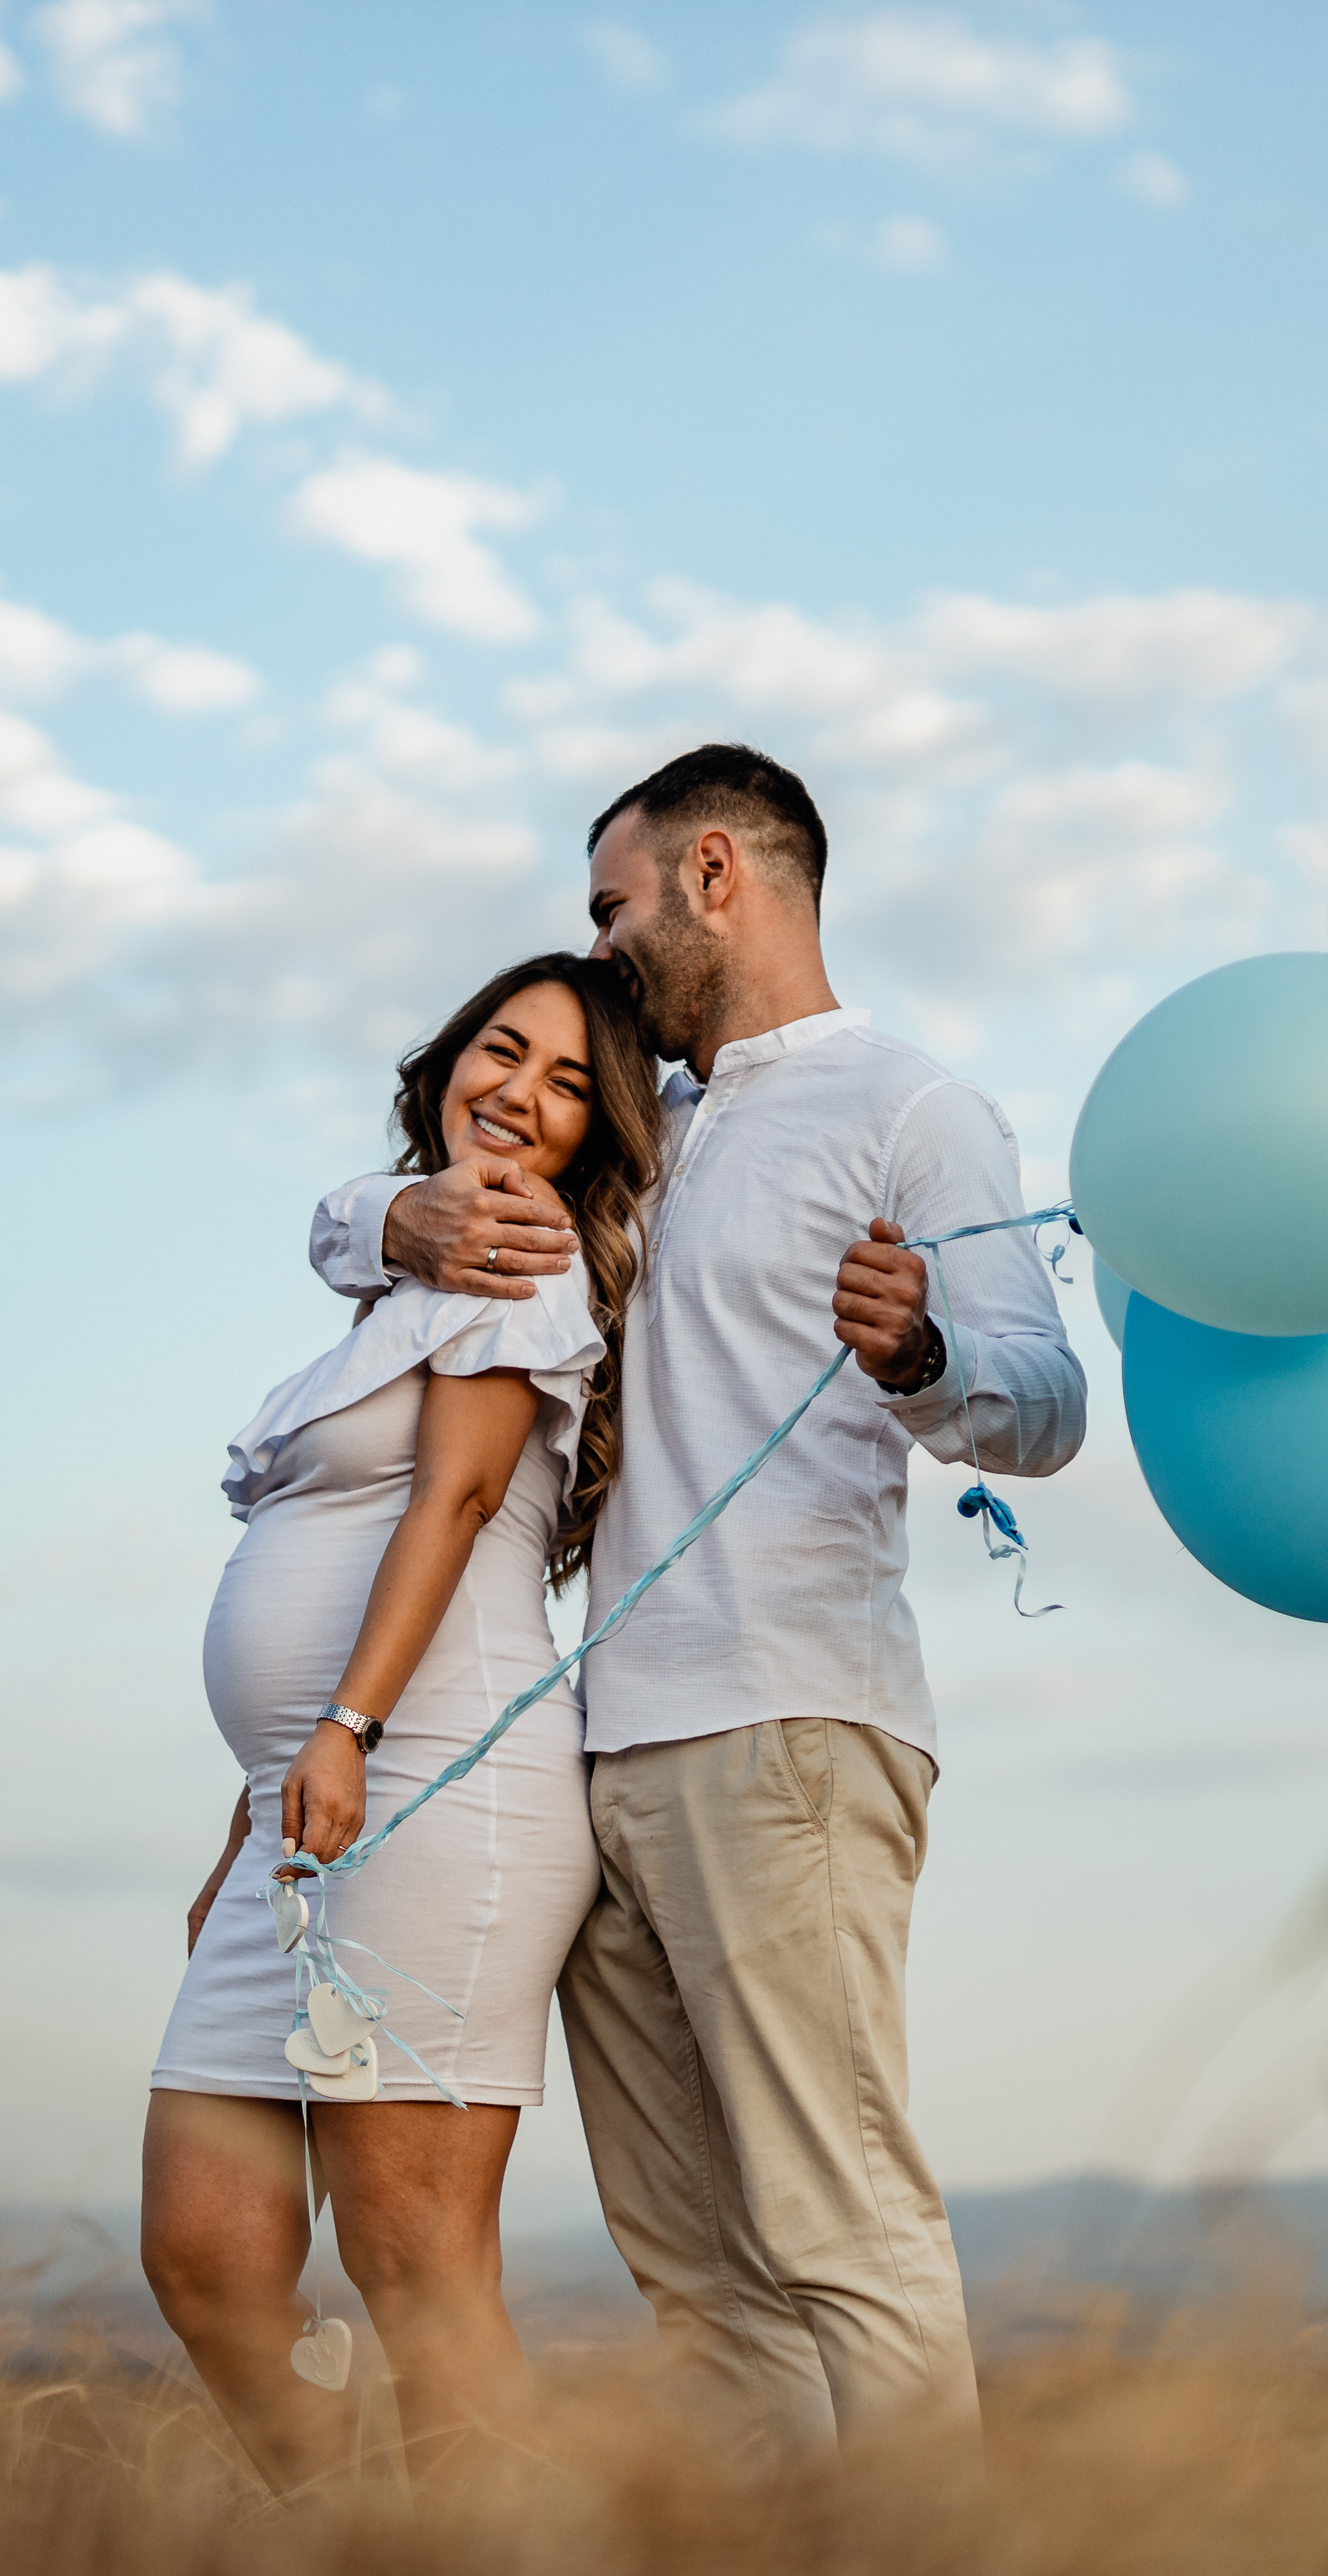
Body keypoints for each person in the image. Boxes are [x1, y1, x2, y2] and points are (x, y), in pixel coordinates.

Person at [306, 745, 1085, 2461]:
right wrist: (394, 1215)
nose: (600, 941)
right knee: (699, 2274)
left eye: (615, 902)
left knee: (837, 2225)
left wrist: (925, 1350)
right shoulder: (646, 1132)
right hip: (600, 1751)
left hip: (789, 1728)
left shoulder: (912, 1109)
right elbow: (364, 1208)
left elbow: (1044, 1401)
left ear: (715, 875)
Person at [141, 952, 666, 2488]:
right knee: (205, 2252)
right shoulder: (403, 1269)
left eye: (572, 1085)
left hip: (437, 1784)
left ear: (593, 1137)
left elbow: (458, 1494)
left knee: (416, 2263)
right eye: (504, 1052)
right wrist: (251, 1813)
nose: (522, 1093)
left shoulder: (524, 1253)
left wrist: (351, 1726)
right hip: (309, 1807)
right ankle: (356, 2560)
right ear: (448, 1061)